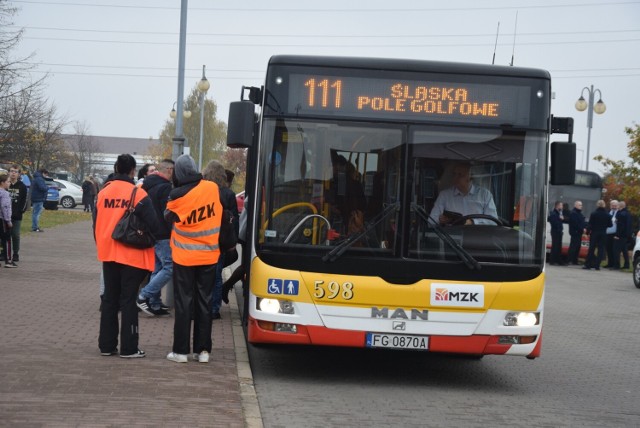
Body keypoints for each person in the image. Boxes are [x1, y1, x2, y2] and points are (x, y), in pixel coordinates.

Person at [93, 154, 163, 358]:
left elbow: (95, 223)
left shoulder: (104, 192)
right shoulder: (138, 194)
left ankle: (106, 345)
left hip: (108, 252)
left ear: (116, 168)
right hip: (131, 254)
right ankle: (129, 347)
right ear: (133, 171)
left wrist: (102, 244)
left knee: (109, 299)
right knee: (128, 300)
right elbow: (155, 225)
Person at [164, 154, 223, 364]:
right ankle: (203, 351)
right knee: (204, 302)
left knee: (183, 303)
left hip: (184, 257)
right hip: (208, 255)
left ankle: (180, 352)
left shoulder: (175, 196)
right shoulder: (212, 188)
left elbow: (167, 218)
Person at [136, 159, 175, 317]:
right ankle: (144, 295)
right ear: (169, 170)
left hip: (151, 232)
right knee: (169, 266)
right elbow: (167, 213)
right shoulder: (165, 187)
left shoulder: (147, 184)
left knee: (158, 267)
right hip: (163, 233)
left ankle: (154, 303)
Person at [202, 161, 239, 320]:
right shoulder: (228, 194)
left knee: (203, 276)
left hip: (203, 238)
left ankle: (203, 305)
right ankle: (214, 308)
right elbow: (234, 221)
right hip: (221, 240)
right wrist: (232, 242)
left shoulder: (201, 191)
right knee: (217, 276)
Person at [430, 162, 498, 225]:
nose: (455, 178)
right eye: (454, 174)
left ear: (471, 177)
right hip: (451, 236)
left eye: (460, 175)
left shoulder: (485, 195)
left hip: (477, 235)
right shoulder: (444, 195)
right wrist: (439, 220)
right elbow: (430, 221)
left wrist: (472, 222)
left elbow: (493, 221)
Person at [583, 200, 613, 271]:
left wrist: (587, 233)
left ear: (597, 205)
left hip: (594, 233)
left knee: (591, 249)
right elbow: (610, 225)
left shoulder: (593, 214)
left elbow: (590, 224)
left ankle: (588, 264)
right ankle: (597, 265)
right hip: (603, 233)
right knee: (601, 249)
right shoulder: (608, 215)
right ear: (604, 205)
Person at [8, 165, 28, 263]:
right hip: (4, 215)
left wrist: (20, 211)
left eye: (15, 171)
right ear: (9, 172)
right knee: (4, 235)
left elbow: (24, 201)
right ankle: (4, 253)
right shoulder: (5, 184)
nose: (13, 173)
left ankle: (15, 253)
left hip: (16, 215)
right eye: (11, 171)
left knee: (15, 235)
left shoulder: (22, 186)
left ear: (18, 174)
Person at [0, 172, 17, 268]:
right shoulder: (5, 193)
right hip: (2, 219)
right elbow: (5, 207)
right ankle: (8, 260)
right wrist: (8, 220)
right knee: (6, 240)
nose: (9, 183)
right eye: (8, 182)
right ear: (2, 183)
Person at [612, 201, 631, 270]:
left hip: (620, 236)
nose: (617, 207)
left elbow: (620, 226)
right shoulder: (628, 214)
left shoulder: (620, 214)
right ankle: (627, 265)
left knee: (616, 250)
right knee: (624, 250)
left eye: (618, 206)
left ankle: (616, 265)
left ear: (620, 206)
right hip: (626, 235)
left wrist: (617, 235)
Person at [567, 200, 586, 265]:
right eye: (579, 205)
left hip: (579, 232)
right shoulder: (573, 213)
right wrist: (582, 229)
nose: (581, 206)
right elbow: (575, 224)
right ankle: (570, 260)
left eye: (581, 205)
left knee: (577, 247)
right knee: (573, 246)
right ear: (575, 205)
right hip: (575, 232)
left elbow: (582, 222)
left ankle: (574, 260)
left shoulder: (579, 213)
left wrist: (584, 228)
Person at [547, 201, 566, 266]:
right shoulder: (553, 213)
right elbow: (554, 223)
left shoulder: (559, 213)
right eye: (561, 205)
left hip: (559, 231)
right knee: (555, 246)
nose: (562, 207)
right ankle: (552, 261)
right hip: (555, 232)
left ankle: (558, 260)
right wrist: (559, 219)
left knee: (558, 247)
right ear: (557, 206)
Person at [30, 168, 49, 232]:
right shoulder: (40, 179)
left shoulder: (36, 178)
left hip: (36, 197)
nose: (46, 176)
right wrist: (47, 187)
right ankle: (35, 227)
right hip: (39, 198)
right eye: (46, 175)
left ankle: (34, 226)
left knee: (35, 213)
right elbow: (42, 188)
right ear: (43, 173)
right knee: (37, 213)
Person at [604, 200, 619, 268]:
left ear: (617, 206)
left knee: (614, 249)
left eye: (615, 205)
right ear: (610, 206)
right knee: (608, 249)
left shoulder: (618, 213)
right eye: (612, 205)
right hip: (608, 233)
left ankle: (614, 263)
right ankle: (609, 263)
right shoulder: (608, 212)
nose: (614, 207)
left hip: (615, 233)